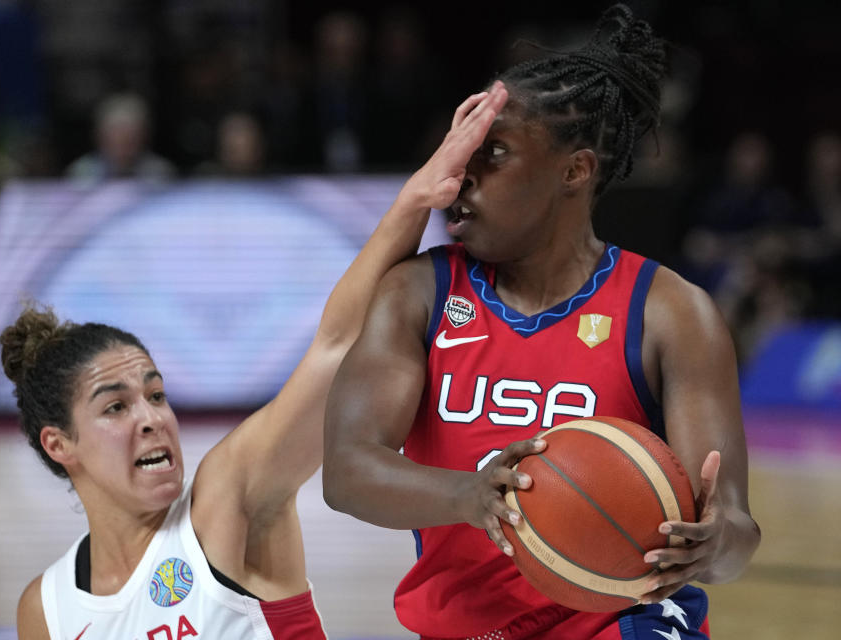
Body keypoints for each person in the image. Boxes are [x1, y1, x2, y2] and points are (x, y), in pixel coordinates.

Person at [4, 78, 508, 638]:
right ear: (59, 444)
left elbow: (337, 346)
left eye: (155, 394)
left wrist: (414, 200)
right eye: (116, 407)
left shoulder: (226, 498)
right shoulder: (45, 610)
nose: (152, 418)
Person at [323, 5, 760, 639]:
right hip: (466, 625)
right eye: (462, 150)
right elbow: (346, 470)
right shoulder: (419, 290)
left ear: (575, 171)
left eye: (492, 153)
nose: (461, 173)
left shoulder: (669, 311)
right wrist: (470, 496)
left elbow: (738, 533)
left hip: (625, 620)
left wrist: (712, 544)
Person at [65, 92, 177, 183]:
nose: (124, 141)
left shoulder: (161, 172)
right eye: (117, 133)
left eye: (131, 136)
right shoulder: (81, 173)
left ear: (144, 136)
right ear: (100, 136)